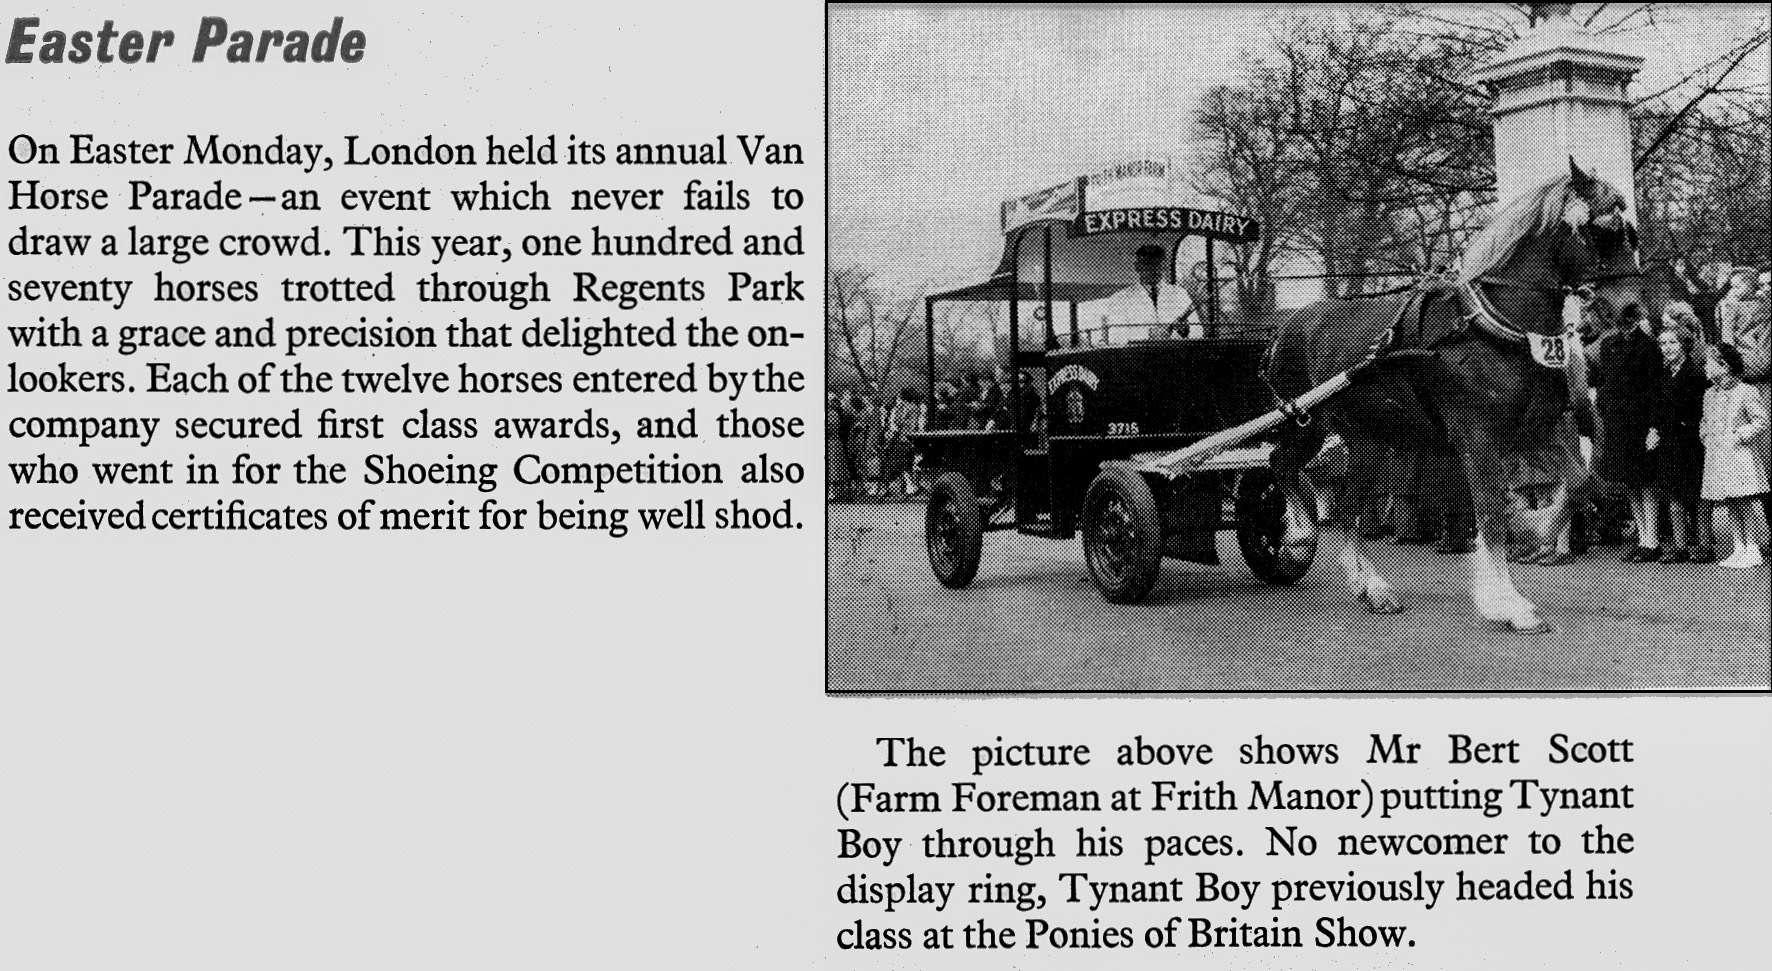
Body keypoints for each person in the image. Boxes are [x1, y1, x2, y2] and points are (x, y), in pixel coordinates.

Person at [1591, 303, 1664, 561]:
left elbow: (1656, 388)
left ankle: (1652, 541)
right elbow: (1603, 382)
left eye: (1624, 317)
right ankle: (1643, 539)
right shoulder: (1608, 345)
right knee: (1628, 481)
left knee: (1645, 481)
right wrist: (1602, 408)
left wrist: (1654, 426)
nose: (1619, 322)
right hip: (1616, 423)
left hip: (1640, 423)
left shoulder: (1649, 346)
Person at [1700, 343, 1769, 568]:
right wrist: (1704, 432)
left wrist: (1739, 435)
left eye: (1710, 362)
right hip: (1718, 455)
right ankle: (1738, 546)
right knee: (1730, 501)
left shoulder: (1746, 391)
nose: (1706, 366)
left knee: (1744, 501)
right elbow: (1706, 420)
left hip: (1740, 456)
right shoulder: (1709, 394)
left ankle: (1753, 547)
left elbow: (1761, 420)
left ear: (1725, 366)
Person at [1647, 322, 1708, 562]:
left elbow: (1700, 410)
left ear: (1684, 345)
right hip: (1667, 440)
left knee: (1695, 494)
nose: (1667, 347)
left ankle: (1704, 544)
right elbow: (1655, 407)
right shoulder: (1661, 374)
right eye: (1663, 343)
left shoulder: (1695, 374)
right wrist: (1653, 428)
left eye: (1672, 342)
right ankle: (1680, 545)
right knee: (1673, 494)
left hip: (1690, 440)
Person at [881, 387, 925, 498]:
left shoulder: (903, 409)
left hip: (901, 439)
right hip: (912, 439)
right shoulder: (917, 408)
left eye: (900, 396)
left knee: (898, 464)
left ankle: (907, 487)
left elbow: (898, 424)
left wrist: (894, 418)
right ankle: (910, 487)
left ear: (904, 397)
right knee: (906, 464)